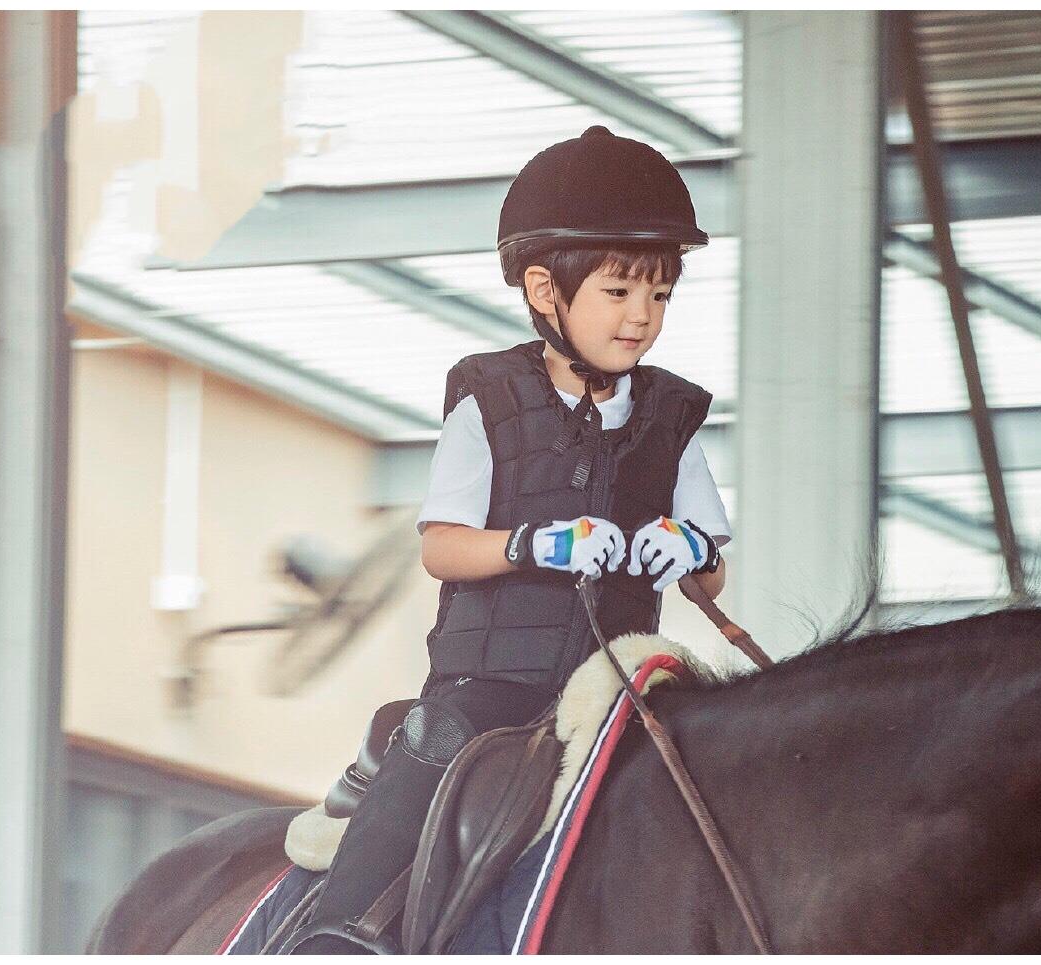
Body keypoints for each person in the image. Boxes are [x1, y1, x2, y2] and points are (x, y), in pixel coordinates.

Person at [284, 126, 730, 953]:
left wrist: (693, 550)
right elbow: (441, 548)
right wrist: (532, 546)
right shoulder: (486, 401)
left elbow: (711, 579)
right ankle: (337, 934)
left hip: (615, 684)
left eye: (660, 296)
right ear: (543, 287)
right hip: (493, 683)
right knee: (437, 738)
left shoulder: (674, 417)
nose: (641, 317)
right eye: (619, 291)